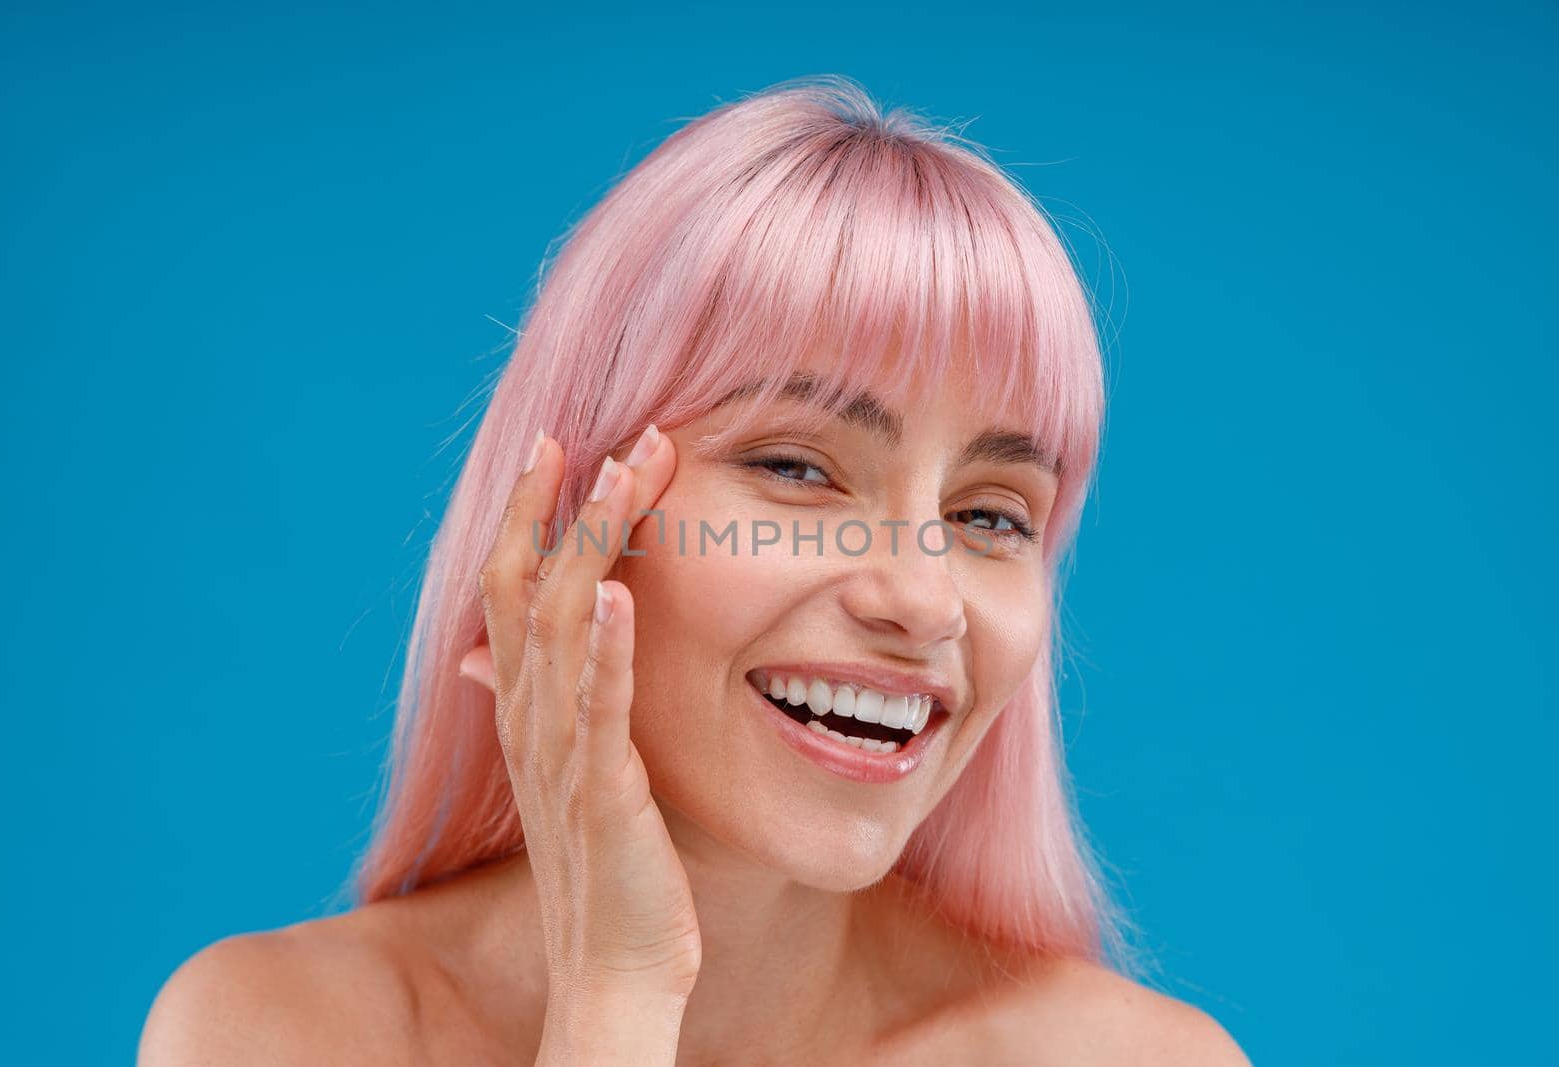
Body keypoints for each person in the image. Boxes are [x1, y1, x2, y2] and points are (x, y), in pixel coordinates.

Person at [139, 75, 1251, 1065]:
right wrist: (614, 994)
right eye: (796, 468)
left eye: (990, 515)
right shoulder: (274, 1030)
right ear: (571, 515)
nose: (921, 599)